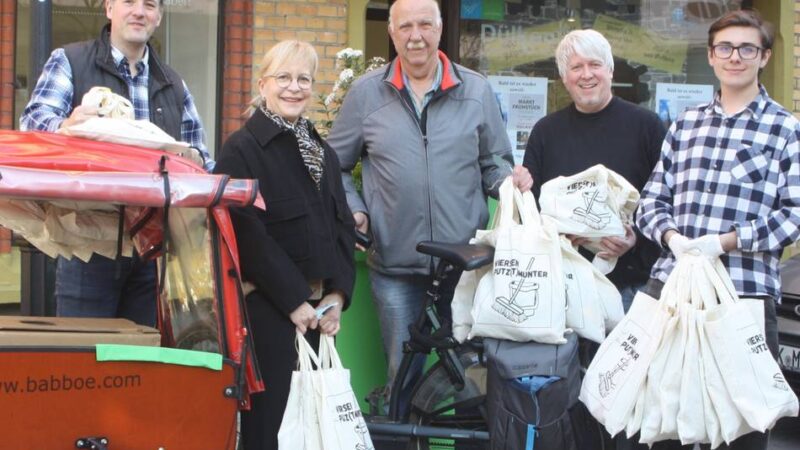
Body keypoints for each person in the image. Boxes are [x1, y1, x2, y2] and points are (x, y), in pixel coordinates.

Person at [327, 0, 532, 411]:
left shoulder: (474, 90)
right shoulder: (367, 94)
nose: (415, 35)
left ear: (439, 30)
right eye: (405, 26)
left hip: (465, 266)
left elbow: (494, 162)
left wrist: (509, 183)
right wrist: (355, 209)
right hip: (395, 265)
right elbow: (334, 165)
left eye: (424, 24)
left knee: (471, 377)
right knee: (402, 373)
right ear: (392, 32)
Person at [637, 9, 800, 450]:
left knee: (741, 428)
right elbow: (650, 202)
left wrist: (726, 242)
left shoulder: (785, 129)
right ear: (711, 56)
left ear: (764, 57)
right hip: (673, 294)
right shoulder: (686, 124)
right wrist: (673, 238)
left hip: (742, 297)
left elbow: (793, 216)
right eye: (725, 48)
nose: (735, 57)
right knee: (662, 424)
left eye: (747, 48)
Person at [19, 0, 211, 327]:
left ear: (159, 16)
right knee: (84, 364)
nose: (139, 11)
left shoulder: (175, 84)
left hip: (152, 251)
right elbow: (33, 123)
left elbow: (201, 160)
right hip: (87, 244)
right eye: (129, 2)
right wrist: (67, 125)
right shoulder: (69, 60)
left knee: (140, 363)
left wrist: (190, 160)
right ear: (109, 8)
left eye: (149, 5)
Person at [213, 40, 356, 450]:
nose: (294, 88)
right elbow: (244, 231)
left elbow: (342, 225)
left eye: (303, 79)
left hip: (317, 316)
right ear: (263, 84)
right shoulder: (241, 149)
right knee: (270, 429)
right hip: (268, 314)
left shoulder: (322, 152)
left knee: (311, 431)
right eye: (283, 78)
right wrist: (295, 300)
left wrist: (337, 296)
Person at [523, 29, 666, 312]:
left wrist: (635, 239)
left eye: (594, 64)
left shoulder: (647, 127)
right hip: (562, 287)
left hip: (632, 287)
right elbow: (533, 210)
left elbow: (666, 201)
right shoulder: (545, 132)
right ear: (565, 78)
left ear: (610, 71)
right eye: (576, 67)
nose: (586, 74)